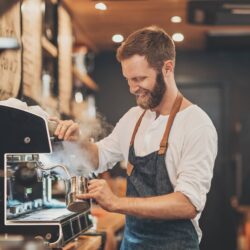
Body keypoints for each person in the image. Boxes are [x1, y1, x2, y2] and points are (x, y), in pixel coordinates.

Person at [54, 26, 218, 250]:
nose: (132, 88)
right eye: (128, 79)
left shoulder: (196, 124)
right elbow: (98, 157)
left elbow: (187, 204)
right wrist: (75, 141)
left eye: (140, 78)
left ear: (167, 68)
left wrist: (117, 202)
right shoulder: (134, 118)